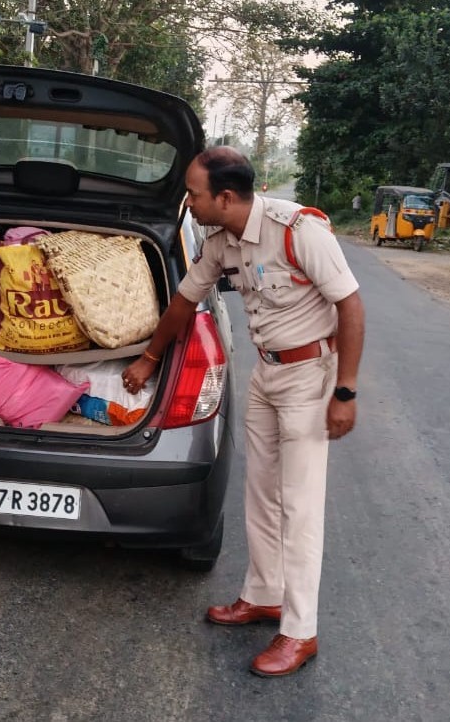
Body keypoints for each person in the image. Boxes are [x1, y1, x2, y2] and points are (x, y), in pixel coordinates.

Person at [122, 146, 365, 677]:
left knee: (300, 508)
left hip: (310, 378)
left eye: (193, 193)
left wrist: (345, 391)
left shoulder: (298, 231)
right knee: (260, 493)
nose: (188, 202)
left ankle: (300, 633)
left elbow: (350, 304)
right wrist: (148, 357)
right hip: (266, 375)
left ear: (225, 197)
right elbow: (185, 301)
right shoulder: (220, 240)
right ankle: (263, 595)